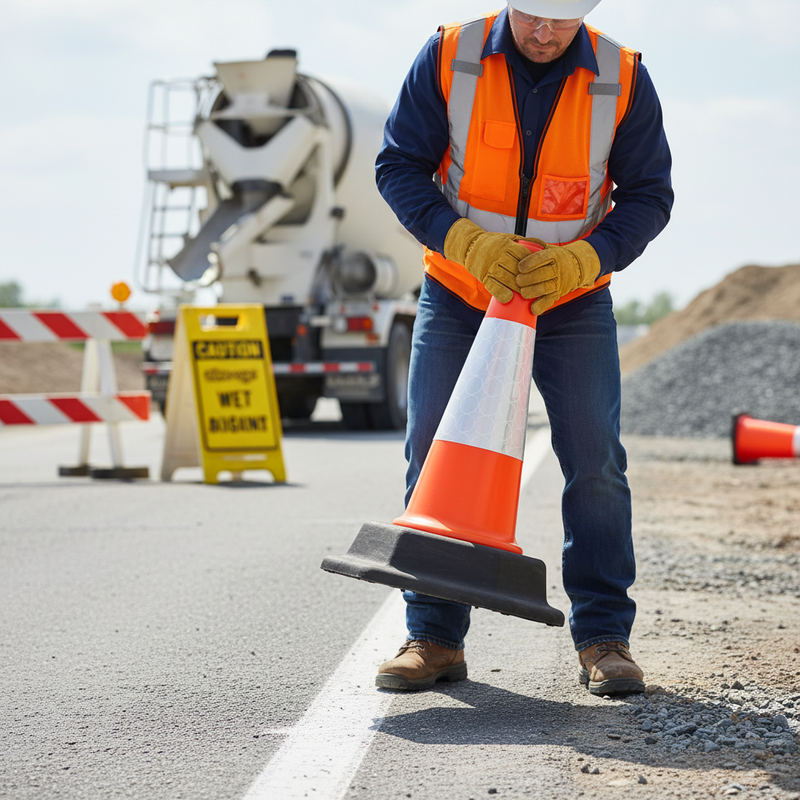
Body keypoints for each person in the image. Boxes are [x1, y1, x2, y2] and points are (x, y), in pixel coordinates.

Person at [373, 0, 674, 696]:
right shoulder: (451, 54)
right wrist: (464, 241)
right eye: (532, 15)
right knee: (433, 451)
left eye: (559, 21)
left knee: (594, 458)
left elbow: (649, 195)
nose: (542, 33)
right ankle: (435, 637)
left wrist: (586, 259)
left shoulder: (622, 75)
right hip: (459, 289)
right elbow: (399, 168)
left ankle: (604, 638)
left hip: (570, 297)